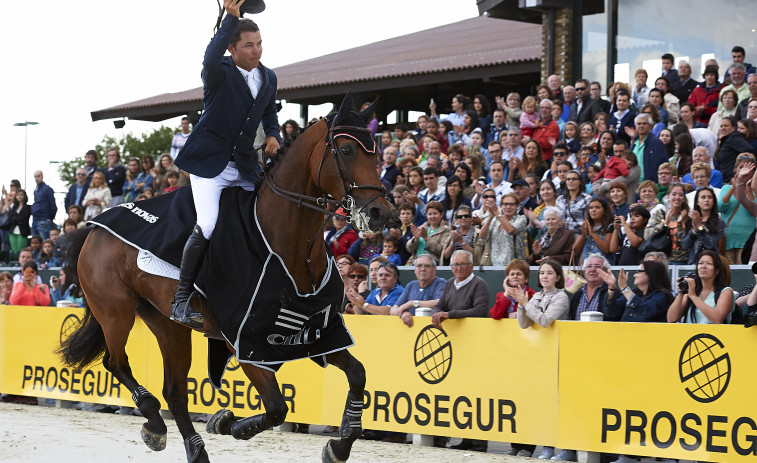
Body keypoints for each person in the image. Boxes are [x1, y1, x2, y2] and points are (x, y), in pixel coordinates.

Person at [170, 0, 282, 328]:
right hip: (209, 166)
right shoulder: (219, 72)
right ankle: (181, 299)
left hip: (245, 165)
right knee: (208, 223)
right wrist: (228, 20)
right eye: (249, 45)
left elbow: (269, 112)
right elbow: (208, 56)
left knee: (264, 218)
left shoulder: (269, 77)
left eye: (260, 43)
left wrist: (273, 134)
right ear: (232, 49)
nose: (257, 50)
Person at [668, 250, 735, 324]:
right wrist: (681, 294)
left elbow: (717, 318)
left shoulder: (726, 292)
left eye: (709, 264)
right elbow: (671, 318)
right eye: (700, 263)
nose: (703, 266)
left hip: (715, 335)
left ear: (717, 270)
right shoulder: (692, 292)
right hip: (690, 335)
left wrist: (694, 296)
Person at [431, 250, 489, 329]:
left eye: (463, 264)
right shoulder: (450, 283)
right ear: (452, 268)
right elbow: (439, 306)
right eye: (456, 264)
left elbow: (480, 311)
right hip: (451, 333)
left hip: (473, 332)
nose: (459, 268)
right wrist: (436, 314)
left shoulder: (479, 283)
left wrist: (450, 315)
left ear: (471, 267)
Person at [602, 260, 673, 322]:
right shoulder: (634, 292)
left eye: (638, 272)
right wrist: (612, 288)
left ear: (650, 274)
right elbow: (612, 312)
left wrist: (625, 288)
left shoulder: (662, 295)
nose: (634, 275)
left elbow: (645, 310)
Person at [717, 153, 756, 265]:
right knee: (730, 275)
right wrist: (734, 186)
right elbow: (720, 206)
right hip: (729, 238)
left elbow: (753, 209)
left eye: (748, 168)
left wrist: (747, 189)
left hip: (748, 239)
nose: (745, 170)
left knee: (744, 275)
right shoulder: (726, 188)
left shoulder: (754, 189)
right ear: (736, 170)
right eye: (741, 167)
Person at [390, 254, 447, 327]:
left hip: (432, 329)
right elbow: (393, 310)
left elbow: (440, 302)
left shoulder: (441, 283)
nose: (423, 269)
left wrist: (412, 303)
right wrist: (403, 313)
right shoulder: (411, 285)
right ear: (415, 270)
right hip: (411, 331)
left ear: (434, 269)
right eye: (419, 266)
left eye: (427, 266)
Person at [480, 193, 527, 266]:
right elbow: (482, 237)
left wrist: (496, 212)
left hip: (515, 264)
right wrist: (490, 217)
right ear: (501, 206)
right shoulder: (495, 220)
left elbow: (511, 230)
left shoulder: (521, 219)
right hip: (494, 264)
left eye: (512, 204)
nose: (508, 207)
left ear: (517, 206)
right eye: (505, 204)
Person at [681, 186, 725, 264]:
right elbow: (684, 245)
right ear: (697, 201)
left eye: (709, 197)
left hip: (711, 263)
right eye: (703, 197)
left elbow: (710, 245)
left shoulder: (720, 222)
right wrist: (694, 231)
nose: (706, 200)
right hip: (693, 263)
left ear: (714, 201)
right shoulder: (690, 221)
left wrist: (700, 227)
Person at [569, 254, 613, 320]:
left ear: (606, 272)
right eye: (589, 266)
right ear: (584, 272)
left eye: (597, 266)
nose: (592, 269)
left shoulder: (612, 292)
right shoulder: (578, 293)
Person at [573, 198, 614, 262]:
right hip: (586, 267)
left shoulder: (610, 226)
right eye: (591, 208)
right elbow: (575, 250)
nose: (593, 210)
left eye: (597, 207)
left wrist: (592, 234)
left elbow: (607, 249)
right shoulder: (585, 226)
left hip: (603, 267)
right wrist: (583, 235)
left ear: (605, 210)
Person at [717, 116, 755, 183]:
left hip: (732, 178)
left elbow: (749, 150)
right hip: (726, 177)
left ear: (734, 127)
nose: (723, 128)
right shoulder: (727, 138)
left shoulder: (734, 138)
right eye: (721, 126)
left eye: (726, 126)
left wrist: (740, 168)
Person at [557, 171, 592, 235]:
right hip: (561, 237)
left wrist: (565, 224)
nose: (570, 181)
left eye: (574, 179)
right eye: (568, 179)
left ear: (580, 181)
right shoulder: (560, 199)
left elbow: (587, 224)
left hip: (578, 237)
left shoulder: (587, 199)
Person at [1, 188, 31, 256]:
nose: (19, 196)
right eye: (18, 195)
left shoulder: (27, 207)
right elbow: (10, 217)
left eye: (21, 195)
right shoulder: (14, 207)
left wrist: (15, 219)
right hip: (12, 232)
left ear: (24, 196)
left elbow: (24, 219)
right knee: (14, 252)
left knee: (21, 251)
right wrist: (17, 220)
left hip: (22, 232)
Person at [30, 171, 57, 240]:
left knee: (45, 243)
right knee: (35, 244)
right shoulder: (36, 190)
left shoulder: (47, 189)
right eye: (35, 176)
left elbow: (53, 206)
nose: (37, 178)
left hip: (44, 220)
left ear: (42, 177)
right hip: (35, 220)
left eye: (38, 176)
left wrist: (49, 218)